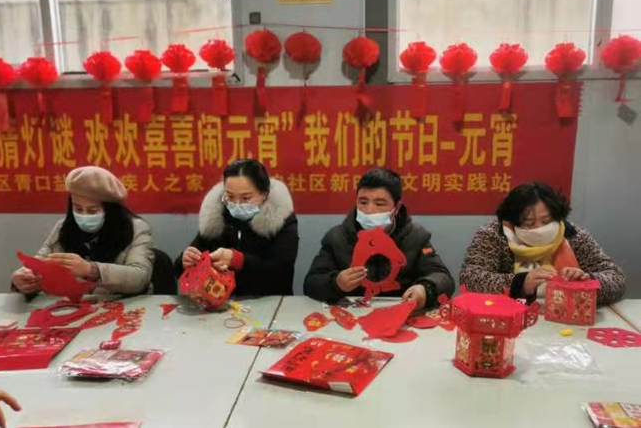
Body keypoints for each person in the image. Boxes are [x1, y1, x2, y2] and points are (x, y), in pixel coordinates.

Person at [303, 168, 454, 309]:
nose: (369, 210)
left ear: (396, 208)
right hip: (352, 315)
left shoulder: (416, 237)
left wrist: (425, 290)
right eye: (363, 202)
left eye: (379, 204)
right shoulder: (337, 237)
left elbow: (443, 278)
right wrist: (336, 283)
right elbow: (311, 283)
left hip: (400, 315)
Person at [460, 182, 626, 305]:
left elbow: (616, 277)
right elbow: (470, 278)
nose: (539, 229)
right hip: (508, 317)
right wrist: (520, 283)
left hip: (567, 317)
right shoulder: (495, 234)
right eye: (529, 223)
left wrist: (588, 281)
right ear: (512, 222)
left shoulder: (572, 234)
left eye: (546, 221)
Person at [11, 166, 155, 295]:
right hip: (73, 307)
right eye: (78, 209)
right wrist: (25, 278)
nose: (84, 216)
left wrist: (91, 270)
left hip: (123, 305)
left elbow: (140, 277)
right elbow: (40, 263)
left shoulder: (137, 228)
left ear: (111, 211)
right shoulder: (63, 228)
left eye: (92, 211)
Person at [175, 159, 298, 295]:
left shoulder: (282, 221)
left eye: (246, 198)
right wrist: (185, 262)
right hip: (220, 302)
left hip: (272, 302)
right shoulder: (216, 218)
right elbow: (181, 269)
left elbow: (281, 274)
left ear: (264, 194)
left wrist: (238, 260)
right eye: (230, 196)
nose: (237, 204)